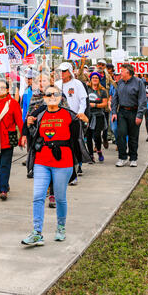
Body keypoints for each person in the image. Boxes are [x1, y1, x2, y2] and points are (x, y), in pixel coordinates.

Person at [21, 85, 90, 246]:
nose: (52, 96)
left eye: (56, 94)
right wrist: (29, 125)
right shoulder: (39, 115)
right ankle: (37, 232)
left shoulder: (69, 115)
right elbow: (33, 135)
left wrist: (86, 122)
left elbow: (80, 134)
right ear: (44, 98)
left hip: (63, 161)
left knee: (59, 197)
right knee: (38, 196)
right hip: (41, 161)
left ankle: (61, 228)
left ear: (61, 98)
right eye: (48, 94)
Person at [55, 62, 88, 182]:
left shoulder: (77, 84)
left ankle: (78, 163)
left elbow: (83, 100)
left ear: (69, 72)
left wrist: (81, 112)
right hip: (61, 120)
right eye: (60, 71)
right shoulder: (57, 84)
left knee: (75, 143)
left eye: (64, 71)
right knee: (65, 146)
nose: (62, 74)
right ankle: (69, 171)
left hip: (74, 118)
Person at [111, 64, 147, 167]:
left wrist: (139, 115)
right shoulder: (120, 82)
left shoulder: (138, 82)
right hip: (122, 112)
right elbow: (115, 98)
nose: (120, 73)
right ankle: (122, 157)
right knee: (121, 134)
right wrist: (114, 112)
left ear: (128, 72)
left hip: (134, 112)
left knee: (133, 136)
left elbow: (142, 100)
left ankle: (133, 158)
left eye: (122, 71)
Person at [86, 73, 108, 163]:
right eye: (93, 78)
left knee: (97, 135)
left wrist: (95, 105)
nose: (95, 79)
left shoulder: (102, 91)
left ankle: (99, 150)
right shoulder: (87, 89)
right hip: (88, 115)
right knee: (88, 136)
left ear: (99, 80)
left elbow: (104, 104)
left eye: (96, 78)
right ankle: (91, 155)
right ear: (90, 79)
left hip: (98, 115)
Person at [95, 59, 116, 149]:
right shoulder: (93, 75)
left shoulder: (108, 76)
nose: (100, 66)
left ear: (105, 67)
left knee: (105, 123)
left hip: (105, 103)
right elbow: (82, 78)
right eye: (99, 64)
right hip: (95, 102)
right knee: (95, 125)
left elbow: (114, 84)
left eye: (102, 65)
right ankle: (96, 144)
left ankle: (104, 138)